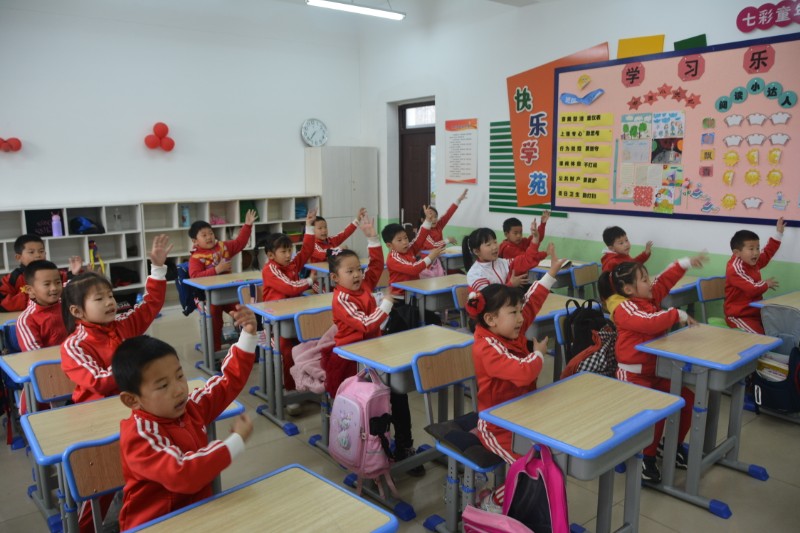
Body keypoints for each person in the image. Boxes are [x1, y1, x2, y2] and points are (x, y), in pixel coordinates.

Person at [113, 307, 256, 531]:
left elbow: (227, 383)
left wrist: (247, 335)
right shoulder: (139, 436)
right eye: (163, 385)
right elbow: (182, 473)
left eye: (180, 376)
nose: (179, 389)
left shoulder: (190, 407)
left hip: (198, 515)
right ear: (132, 400)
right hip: (154, 525)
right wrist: (234, 442)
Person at [468, 249, 565, 509]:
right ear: (490, 319)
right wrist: (538, 354)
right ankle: (491, 501)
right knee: (531, 471)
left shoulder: (510, 329)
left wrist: (550, 274)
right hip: (497, 424)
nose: (522, 318)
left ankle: (529, 507)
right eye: (514, 312)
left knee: (551, 461)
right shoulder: (486, 347)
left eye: (520, 311)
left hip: (524, 416)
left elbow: (532, 302)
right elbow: (524, 374)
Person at [599, 253, 707, 483]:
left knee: (687, 402)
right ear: (628, 289)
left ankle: (670, 446)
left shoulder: (647, 296)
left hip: (657, 370)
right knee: (653, 413)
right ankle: (645, 458)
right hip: (633, 374)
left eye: (647, 278)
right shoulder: (625, 308)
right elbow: (648, 324)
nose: (650, 283)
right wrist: (676, 314)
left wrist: (684, 263)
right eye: (644, 279)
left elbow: (664, 280)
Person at [60, 235, 171, 404]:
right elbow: (97, 382)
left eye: (110, 295)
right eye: (99, 299)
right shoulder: (74, 345)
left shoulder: (123, 323)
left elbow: (151, 304)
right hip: (98, 408)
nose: (109, 302)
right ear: (77, 311)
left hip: (134, 400)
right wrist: (133, 361)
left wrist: (157, 269)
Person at [323, 215, 392, 398]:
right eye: (350, 271)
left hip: (370, 348)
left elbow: (376, 266)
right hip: (350, 355)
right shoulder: (342, 299)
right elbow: (365, 324)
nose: (357, 275)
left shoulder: (364, 284)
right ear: (335, 278)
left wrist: (372, 239)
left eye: (359, 270)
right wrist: (385, 305)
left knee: (380, 394)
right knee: (352, 398)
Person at [261, 208, 318, 393]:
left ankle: (308, 382)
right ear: (271, 255)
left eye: (290, 250)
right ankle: (291, 390)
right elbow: (290, 287)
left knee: (313, 343)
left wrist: (309, 226)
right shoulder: (270, 269)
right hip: (274, 326)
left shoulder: (291, 264)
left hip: (294, 318)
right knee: (287, 351)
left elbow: (307, 250)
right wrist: (309, 281)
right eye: (283, 252)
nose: (288, 255)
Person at [188, 209, 257, 352]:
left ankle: (246, 347)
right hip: (206, 298)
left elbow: (239, 243)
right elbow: (195, 277)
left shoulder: (223, 247)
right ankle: (215, 353)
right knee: (214, 319)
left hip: (227, 293)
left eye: (211, 233)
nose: (209, 237)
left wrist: (247, 225)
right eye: (204, 235)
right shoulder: (196, 258)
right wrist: (217, 269)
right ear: (195, 241)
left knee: (244, 311)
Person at [382, 207, 445, 329]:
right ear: (390, 245)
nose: (405, 242)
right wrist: (430, 257)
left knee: (434, 319)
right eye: (399, 240)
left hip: (414, 296)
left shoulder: (409, 249)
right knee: (407, 325)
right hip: (400, 300)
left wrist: (427, 221)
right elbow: (413, 269)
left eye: (406, 237)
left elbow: (419, 239)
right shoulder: (393, 258)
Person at [725, 217, 785, 333]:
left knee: (779, 328)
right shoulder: (735, 269)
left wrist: (778, 234)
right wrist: (766, 284)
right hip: (739, 316)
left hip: (756, 313)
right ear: (737, 253)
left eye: (757, 248)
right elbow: (752, 289)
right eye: (751, 249)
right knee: (761, 338)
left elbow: (766, 254)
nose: (756, 252)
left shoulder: (751, 261)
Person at [0, 234, 81, 312]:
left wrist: (73, 274)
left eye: (41, 251)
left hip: (54, 312)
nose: (38, 255)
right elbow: (3, 302)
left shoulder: (53, 272)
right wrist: (35, 297)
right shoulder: (13, 278)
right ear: (18, 257)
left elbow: (71, 289)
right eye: (31, 252)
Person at [463, 225, 546, 292]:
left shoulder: (503, 262)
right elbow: (489, 299)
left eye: (495, 242)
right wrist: (510, 285)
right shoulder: (475, 274)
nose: (494, 247)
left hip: (507, 304)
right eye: (488, 244)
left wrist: (535, 239)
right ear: (476, 251)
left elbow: (525, 260)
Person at [16, 260, 68, 352]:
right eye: (47, 284)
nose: (54, 288)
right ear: (30, 290)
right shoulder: (26, 320)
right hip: (51, 360)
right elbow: (35, 354)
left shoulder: (68, 306)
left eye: (58, 282)